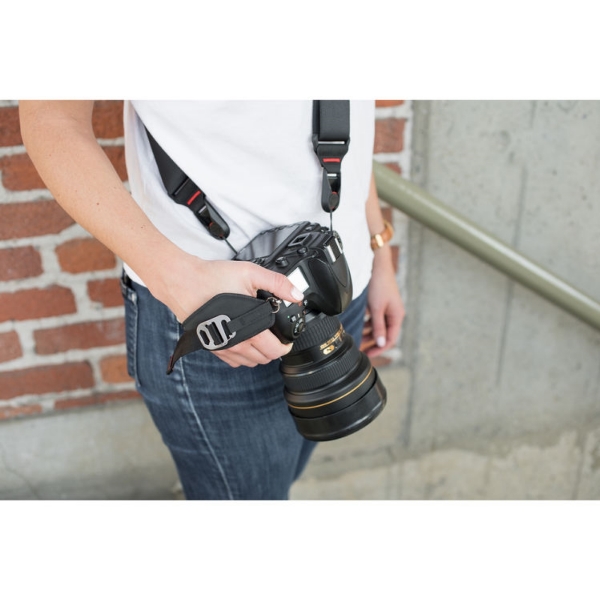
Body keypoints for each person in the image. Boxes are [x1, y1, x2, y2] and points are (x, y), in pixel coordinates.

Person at [19, 100, 405, 500]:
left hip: (341, 285)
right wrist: (179, 282)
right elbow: (51, 118)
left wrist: (377, 251)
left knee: (279, 480)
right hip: (219, 322)